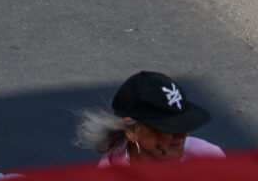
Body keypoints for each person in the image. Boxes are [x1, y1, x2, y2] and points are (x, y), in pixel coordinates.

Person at [82, 70, 225, 165]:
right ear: (132, 130)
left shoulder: (209, 158)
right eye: (170, 127)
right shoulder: (111, 175)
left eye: (184, 125)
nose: (183, 134)